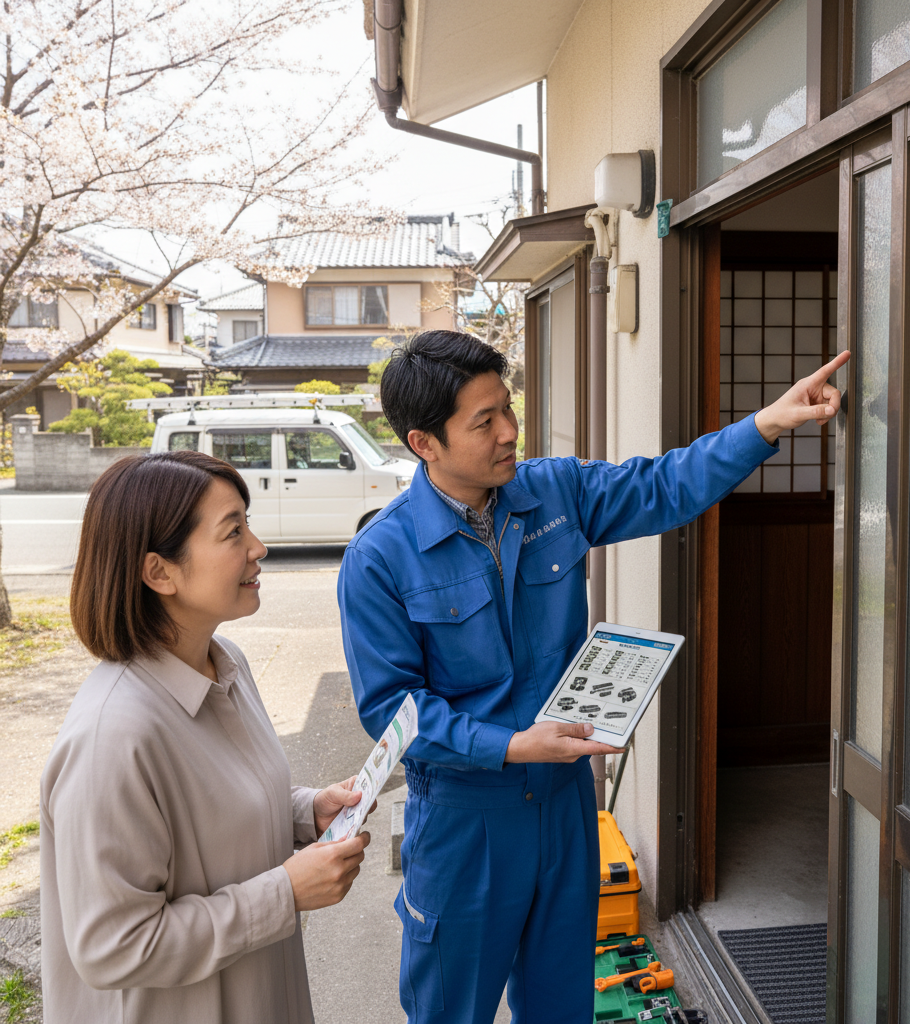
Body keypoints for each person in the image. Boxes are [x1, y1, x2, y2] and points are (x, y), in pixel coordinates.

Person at [337, 330, 850, 1024]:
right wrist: (517, 745)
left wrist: (766, 425)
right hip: (465, 823)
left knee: (562, 1005)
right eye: (483, 421)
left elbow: (665, 485)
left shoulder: (552, 491)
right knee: (450, 1011)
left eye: (507, 408)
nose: (509, 431)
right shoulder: (380, 558)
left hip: (564, 804)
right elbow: (392, 713)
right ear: (424, 443)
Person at [40, 450, 373, 1024]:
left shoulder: (226, 665)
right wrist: (285, 894)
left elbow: (214, 809)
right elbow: (113, 945)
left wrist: (306, 811)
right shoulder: (113, 736)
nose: (258, 549)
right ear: (159, 572)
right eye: (233, 532)